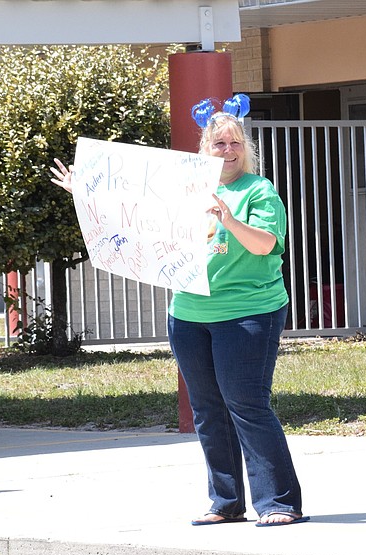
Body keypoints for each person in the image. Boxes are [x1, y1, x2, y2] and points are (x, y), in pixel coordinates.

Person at [50, 94, 308, 528]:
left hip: (248, 312)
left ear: (245, 149)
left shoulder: (258, 191)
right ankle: (226, 503)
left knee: (246, 404)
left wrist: (228, 218)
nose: (227, 151)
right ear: (203, 151)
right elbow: (132, 219)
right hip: (188, 315)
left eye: (234, 144)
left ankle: (279, 502)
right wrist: (87, 192)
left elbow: (264, 245)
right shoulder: (183, 189)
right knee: (208, 409)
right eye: (218, 145)